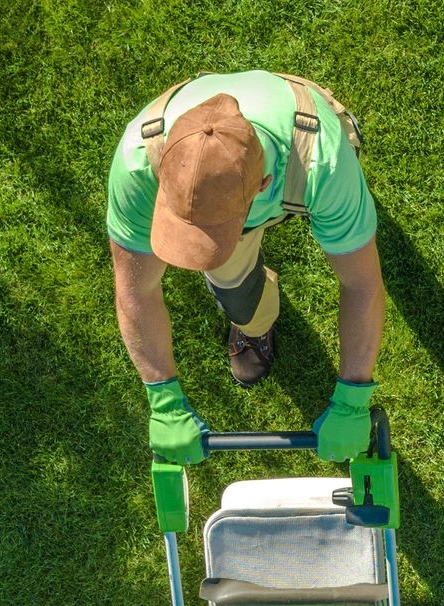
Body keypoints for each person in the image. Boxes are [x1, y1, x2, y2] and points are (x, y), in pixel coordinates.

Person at [106, 70, 385, 464]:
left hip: (301, 159)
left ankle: (343, 125)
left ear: (263, 184)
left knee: (347, 217)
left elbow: (361, 283)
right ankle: (253, 325)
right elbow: (135, 289)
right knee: (237, 296)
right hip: (265, 187)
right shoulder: (139, 165)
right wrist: (163, 400)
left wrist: (353, 399)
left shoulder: (322, 161)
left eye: (211, 231)